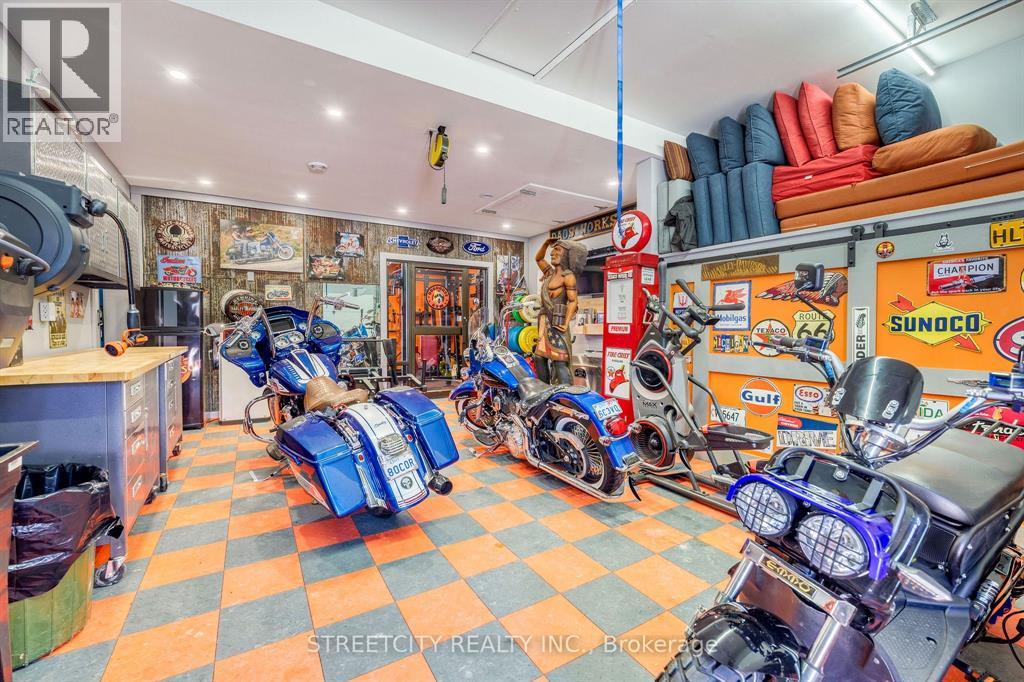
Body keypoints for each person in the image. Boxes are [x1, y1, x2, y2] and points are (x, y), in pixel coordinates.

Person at [534, 237, 587, 385]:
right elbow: (538, 259)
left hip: (557, 324)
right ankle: (544, 390)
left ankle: (565, 394)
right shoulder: (549, 274)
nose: (552, 253)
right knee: (539, 357)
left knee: (559, 361)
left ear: (566, 255)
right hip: (544, 323)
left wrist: (565, 322)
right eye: (553, 250)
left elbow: (573, 301)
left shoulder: (568, 276)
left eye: (557, 250)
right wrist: (545, 243)